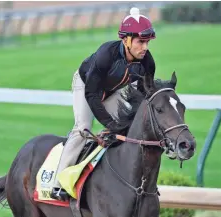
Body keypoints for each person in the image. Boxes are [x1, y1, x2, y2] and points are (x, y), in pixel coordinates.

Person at [50, 7, 157, 201]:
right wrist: (110, 124)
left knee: (127, 128)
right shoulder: (106, 54)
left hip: (112, 91)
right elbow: (92, 94)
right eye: (141, 42)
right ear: (126, 40)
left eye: (147, 42)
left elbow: (143, 96)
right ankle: (58, 184)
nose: (145, 47)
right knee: (83, 127)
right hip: (86, 86)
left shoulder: (148, 62)